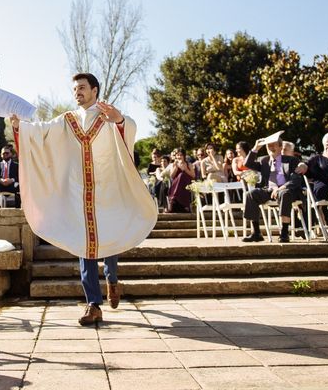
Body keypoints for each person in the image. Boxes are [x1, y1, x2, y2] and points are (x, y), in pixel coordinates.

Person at [10, 73, 157, 326]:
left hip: (108, 189)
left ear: (94, 90)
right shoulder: (67, 120)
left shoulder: (107, 115)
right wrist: (20, 127)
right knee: (84, 243)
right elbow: (42, 133)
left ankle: (111, 279)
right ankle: (93, 303)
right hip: (79, 192)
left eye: (82, 88)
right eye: (75, 88)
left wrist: (120, 119)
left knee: (109, 236)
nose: (77, 92)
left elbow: (128, 128)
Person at [241, 137, 302, 243]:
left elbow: (296, 179)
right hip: (269, 190)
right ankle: (256, 233)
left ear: (280, 146)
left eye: (273, 145)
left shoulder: (291, 160)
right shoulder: (264, 160)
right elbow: (247, 164)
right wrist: (256, 148)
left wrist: (281, 188)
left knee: (284, 193)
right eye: (268, 145)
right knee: (251, 194)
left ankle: (284, 232)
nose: (271, 148)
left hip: (286, 190)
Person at [167, 148, 196, 213]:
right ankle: (174, 201)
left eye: (181, 155)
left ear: (184, 156)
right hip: (176, 183)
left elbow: (193, 175)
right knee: (180, 176)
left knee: (182, 175)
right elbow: (171, 176)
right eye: (178, 155)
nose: (179, 157)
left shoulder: (189, 164)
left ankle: (175, 199)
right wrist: (176, 167)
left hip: (186, 183)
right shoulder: (174, 164)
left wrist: (185, 169)